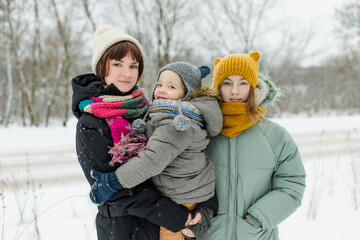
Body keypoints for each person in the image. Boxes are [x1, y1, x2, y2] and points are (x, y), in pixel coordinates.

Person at [71, 25, 194, 240]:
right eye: (118, 64)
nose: (127, 73)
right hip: (123, 229)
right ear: (102, 67)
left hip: (163, 228)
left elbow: (183, 160)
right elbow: (116, 190)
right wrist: (178, 217)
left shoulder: (149, 110)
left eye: (133, 65)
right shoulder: (90, 123)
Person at [89, 61, 223, 240]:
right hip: (182, 197)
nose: (161, 89)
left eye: (171, 86)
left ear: (187, 94)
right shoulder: (165, 114)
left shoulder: (176, 123)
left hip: (179, 202)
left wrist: (113, 181)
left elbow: (151, 160)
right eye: (159, 84)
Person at [188, 51, 306, 240]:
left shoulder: (275, 136)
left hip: (257, 235)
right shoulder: (200, 131)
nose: (235, 91)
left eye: (242, 83)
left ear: (253, 87)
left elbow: (292, 185)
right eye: (227, 83)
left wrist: (256, 219)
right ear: (217, 87)